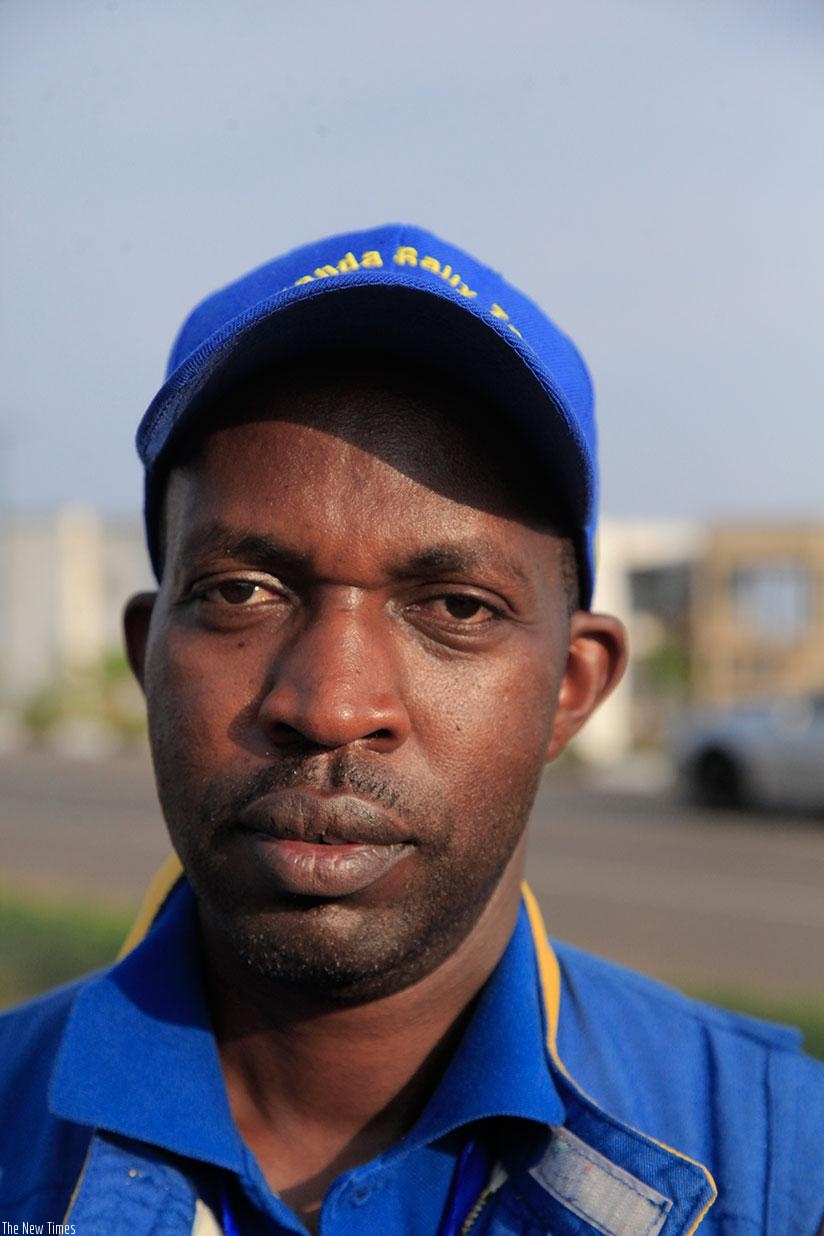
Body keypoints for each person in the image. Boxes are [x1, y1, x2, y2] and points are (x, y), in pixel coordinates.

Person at [1, 224, 822, 1236]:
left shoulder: (777, 1160)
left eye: (457, 607)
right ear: (148, 654)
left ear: (571, 685)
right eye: (241, 591)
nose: (332, 706)